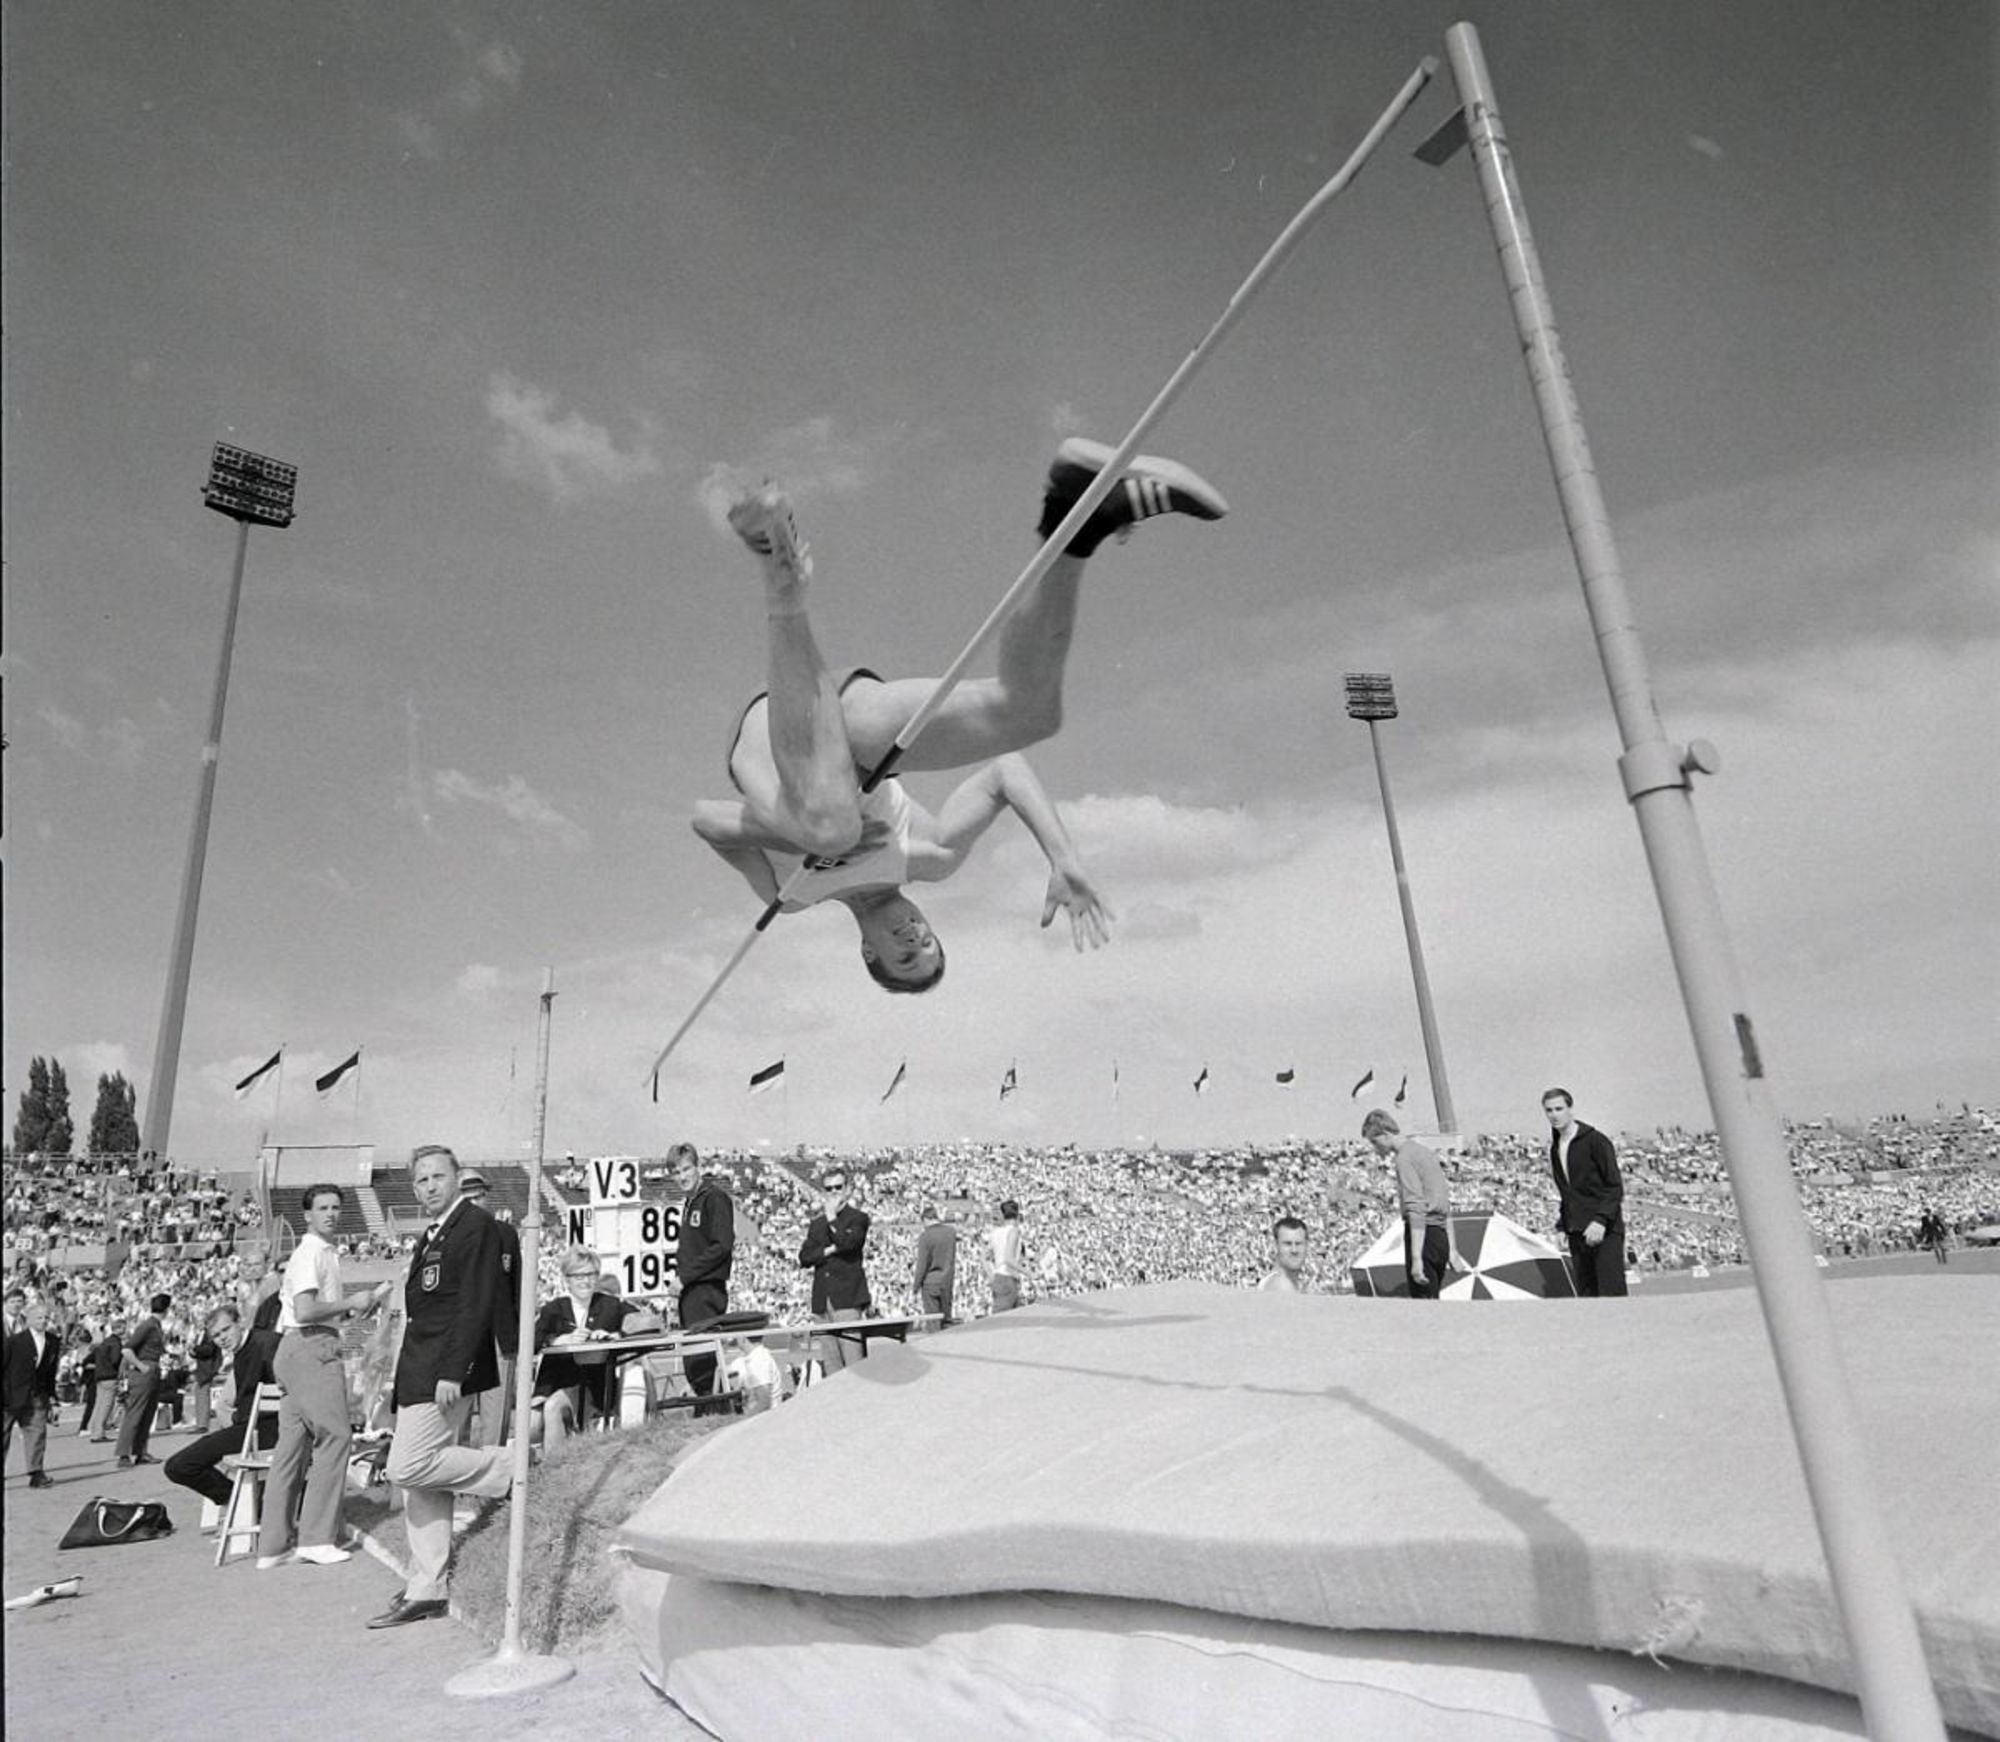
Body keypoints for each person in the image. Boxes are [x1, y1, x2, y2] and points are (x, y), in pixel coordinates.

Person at [692, 437, 1228, 992]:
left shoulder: (791, 897)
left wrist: (804, 841)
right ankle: (1077, 515)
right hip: (851, 731)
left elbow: (707, 820)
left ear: (869, 953)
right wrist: (1063, 858)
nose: (914, 939)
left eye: (905, 957)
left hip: (771, 736)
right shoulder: (930, 855)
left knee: (829, 827)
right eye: (928, 943)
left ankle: (782, 585)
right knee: (1028, 714)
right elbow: (1005, 772)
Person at [370, 1145, 513, 1630]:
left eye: (437, 1177)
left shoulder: (474, 1226)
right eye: (421, 1180)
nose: (429, 1186)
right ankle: (427, 1586)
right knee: (422, 1484)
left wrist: (455, 1370)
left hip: (443, 1371)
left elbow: (474, 1305)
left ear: (456, 1178)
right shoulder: (435, 1232)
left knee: (407, 1466)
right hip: (419, 1368)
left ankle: (512, 1469)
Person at [256, 1184, 392, 1570]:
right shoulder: (311, 1253)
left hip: (300, 1347)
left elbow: (315, 1311)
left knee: (291, 1448)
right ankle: (316, 1538)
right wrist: (352, 1301)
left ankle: (273, 1545)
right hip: (310, 1347)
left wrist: (353, 1309)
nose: (331, 1214)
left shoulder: (322, 1253)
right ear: (308, 1215)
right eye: (322, 1208)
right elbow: (305, 1310)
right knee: (336, 1437)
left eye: (335, 1207)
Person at [162, 1304, 281, 1512]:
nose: (222, 1338)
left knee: (180, 1466)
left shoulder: (267, 1343)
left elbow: (286, 1391)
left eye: (226, 1329)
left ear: (240, 1322)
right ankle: (243, 1502)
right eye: (216, 1336)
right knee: (178, 1465)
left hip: (267, 1430)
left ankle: (242, 1503)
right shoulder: (245, 1349)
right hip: (251, 1427)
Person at [1362, 1110, 1465, 1300]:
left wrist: (1416, 1259)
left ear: (1385, 1134)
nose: (1375, 1149)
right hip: (1440, 1237)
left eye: (1374, 1142)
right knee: (1433, 1300)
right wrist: (1452, 1249)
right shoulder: (1424, 1152)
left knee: (1423, 1304)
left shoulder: (1404, 1158)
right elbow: (1444, 1203)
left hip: (1423, 1237)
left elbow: (1416, 1208)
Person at [530, 1246, 625, 1445]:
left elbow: (642, 1322)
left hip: (594, 1385)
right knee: (531, 1427)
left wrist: (614, 1335)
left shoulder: (611, 1305)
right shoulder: (553, 1310)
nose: (585, 1281)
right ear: (567, 1279)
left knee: (553, 1408)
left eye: (590, 1274)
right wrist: (557, 1341)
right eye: (578, 1276)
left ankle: (557, 1461)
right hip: (554, 1382)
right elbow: (532, 1342)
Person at [455, 1168, 521, 1450]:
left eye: (479, 1196)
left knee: (497, 1416)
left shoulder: (506, 1234)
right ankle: (457, 1471)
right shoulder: (448, 1236)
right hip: (461, 1337)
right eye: (467, 1198)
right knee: (457, 1415)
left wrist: (515, 1336)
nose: (474, 1203)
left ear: (487, 1197)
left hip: (499, 1334)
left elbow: (516, 1287)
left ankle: (493, 1469)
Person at [1542, 1089, 1627, 1297]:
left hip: (1605, 1230)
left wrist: (1600, 1220)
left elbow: (1615, 1186)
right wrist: (1562, 1226)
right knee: (1587, 1298)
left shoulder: (1596, 1141)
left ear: (1570, 1109)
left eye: (1559, 1109)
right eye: (1549, 1110)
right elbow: (1567, 1193)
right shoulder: (1555, 1148)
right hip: (1576, 1231)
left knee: (1611, 1295)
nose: (1554, 1115)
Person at [672, 1143, 735, 1399]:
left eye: (686, 1169)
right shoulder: (690, 1201)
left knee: (702, 1361)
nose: (682, 1177)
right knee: (694, 1362)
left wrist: (685, 1276)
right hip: (691, 1290)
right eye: (676, 1172)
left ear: (698, 1167)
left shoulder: (714, 1197)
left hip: (705, 1289)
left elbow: (722, 1245)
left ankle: (713, 1410)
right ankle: (706, 1407)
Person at [798, 1170, 871, 1375]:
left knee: (854, 1363)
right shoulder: (816, 1224)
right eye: (829, 1188)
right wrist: (829, 1250)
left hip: (847, 1298)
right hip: (822, 1299)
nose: (834, 1192)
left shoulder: (858, 1218)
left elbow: (848, 1244)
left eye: (838, 1187)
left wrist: (832, 1219)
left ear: (848, 1189)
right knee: (832, 1366)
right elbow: (804, 1257)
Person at [4, 1299, 61, 1487]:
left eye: (46, 1318)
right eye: (39, 1318)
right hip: (10, 1396)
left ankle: (36, 1472)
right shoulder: (14, 1341)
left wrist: (52, 1398)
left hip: (37, 1396)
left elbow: (51, 1372)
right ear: (28, 1319)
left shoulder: (53, 1341)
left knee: (37, 1434)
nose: (43, 1321)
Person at [115, 1291, 170, 1467]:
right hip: (144, 1370)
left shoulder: (154, 1325)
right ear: (166, 1309)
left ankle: (140, 1451)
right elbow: (127, 1349)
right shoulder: (148, 1326)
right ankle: (124, 1454)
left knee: (147, 1414)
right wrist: (141, 1366)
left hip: (152, 1369)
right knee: (135, 1413)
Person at [911, 1204, 958, 1325]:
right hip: (947, 1279)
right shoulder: (951, 1232)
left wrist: (915, 1287)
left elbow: (922, 1264)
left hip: (930, 1281)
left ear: (926, 1219)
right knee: (946, 1319)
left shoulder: (925, 1236)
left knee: (933, 1321)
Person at [86, 1321, 125, 1443]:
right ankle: (99, 1433)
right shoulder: (116, 1343)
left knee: (99, 1404)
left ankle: (94, 1430)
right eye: (123, 1328)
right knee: (106, 1405)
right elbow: (115, 1359)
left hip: (100, 1375)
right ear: (118, 1328)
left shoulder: (105, 1342)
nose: (124, 1330)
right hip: (110, 1375)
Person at [987, 1199, 1025, 1313]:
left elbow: (984, 1257)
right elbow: (1008, 1259)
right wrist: (1029, 1273)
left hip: (998, 1276)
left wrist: (991, 1274)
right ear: (1017, 1215)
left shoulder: (995, 1232)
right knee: (1003, 1318)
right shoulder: (1014, 1231)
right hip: (1008, 1277)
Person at [1258, 1216, 1310, 1293]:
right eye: (1287, 1244)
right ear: (1275, 1246)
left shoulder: (1293, 1285)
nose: (1294, 1250)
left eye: (1298, 1243)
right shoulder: (1280, 1286)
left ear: (1306, 1245)